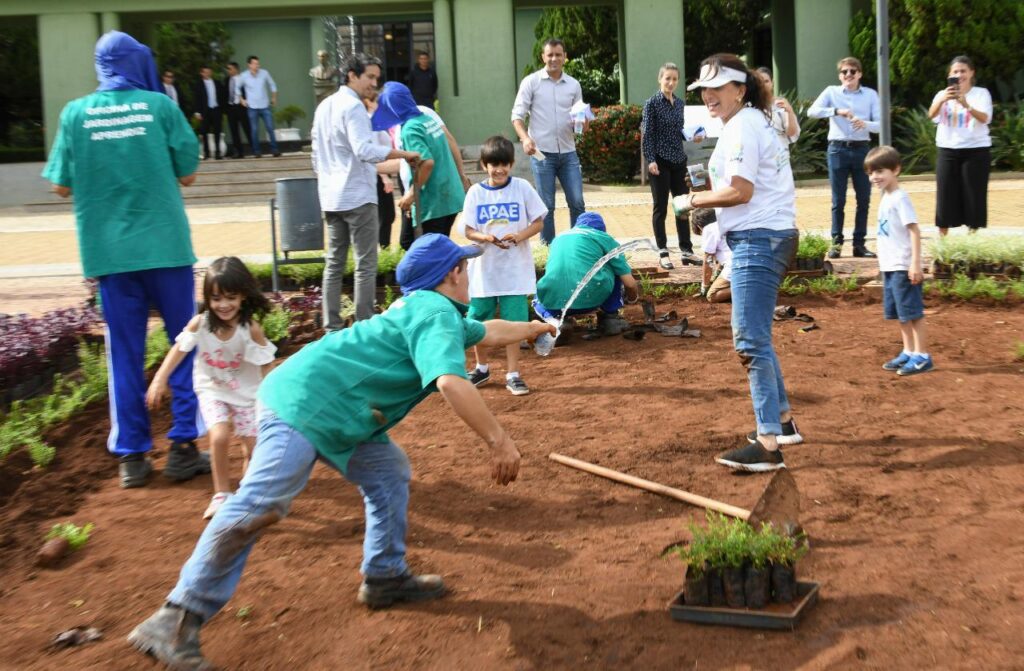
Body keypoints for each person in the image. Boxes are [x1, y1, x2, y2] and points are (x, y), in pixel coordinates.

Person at [127, 234, 556, 670]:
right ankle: (176, 616)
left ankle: (385, 575)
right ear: (453, 274)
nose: (469, 274)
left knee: (388, 472)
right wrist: (498, 440)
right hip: (303, 405)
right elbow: (450, 380)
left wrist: (537, 327)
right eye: (466, 267)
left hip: (333, 410)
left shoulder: (430, 310)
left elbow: (488, 331)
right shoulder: (434, 314)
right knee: (259, 504)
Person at [42, 31, 209, 488]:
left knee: (124, 354)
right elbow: (189, 175)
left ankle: (133, 458)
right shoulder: (160, 107)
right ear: (139, 63)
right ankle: (183, 446)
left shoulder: (74, 114)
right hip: (166, 246)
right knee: (186, 342)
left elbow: (59, 185)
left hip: (109, 253)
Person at [676, 53, 803, 472]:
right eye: (703, 90)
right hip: (768, 235)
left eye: (717, 88)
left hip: (759, 240)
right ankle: (782, 424)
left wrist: (694, 199)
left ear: (740, 90)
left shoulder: (744, 125)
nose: (709, 96)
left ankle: (768, 444)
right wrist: (712, 208)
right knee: (759, 338)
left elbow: (741, 191)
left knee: (749, 340)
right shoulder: (755, 120)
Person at [147, 257, 277, 519]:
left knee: (253, 449)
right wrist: (160, 379)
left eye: (230, 297)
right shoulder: (201, 324)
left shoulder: (250, 329)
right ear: (207, 298)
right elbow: (179, 350)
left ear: (242, 296)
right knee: (218, 436)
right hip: (212, 389)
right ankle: (221, 494)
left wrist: (274, 399)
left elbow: (266, 366)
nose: (223, 305)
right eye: (216, 298)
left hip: (247, 395)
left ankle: (247, 494)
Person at [310, 53, 420, 327]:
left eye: (376, 78)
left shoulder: (324, 106)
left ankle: (332, 326)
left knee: (334, 263)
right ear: (352, 76)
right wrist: (403, 153)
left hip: (331, 196)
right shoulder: (354, 107)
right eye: (369, 77)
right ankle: (365, 324)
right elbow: (364, 150)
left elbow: (315, 155)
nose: (374, 83)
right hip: (357, 195)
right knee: (365, 263)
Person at [458, 135, 548, 395]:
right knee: (478, 321)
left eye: (504, 164)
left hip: (514, 271)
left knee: (514, 325)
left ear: (511, 163)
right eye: (493, 164)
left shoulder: (521, 188)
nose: (499, 170)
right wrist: (484, 237)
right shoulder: (475, 192)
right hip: (484, 271)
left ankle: (513, 374)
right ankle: (481, 368)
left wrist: (520, 236)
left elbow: (539, 221)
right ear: (484, 164)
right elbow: (468, 229)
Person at [864, 146, 934, 376]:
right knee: (901, 314)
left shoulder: (901, 198)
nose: (875, 176)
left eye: (880, 171)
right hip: (890, 266)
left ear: (896, 169)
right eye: (871, 172)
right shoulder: (886, 197)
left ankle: (922, 355)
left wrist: (915, 263)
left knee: (912, 313)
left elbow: (914, 231)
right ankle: (908, 351)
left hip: (903, 266)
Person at [511, 38, 587, 244]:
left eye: (558, 55)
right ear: (543, 57)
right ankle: (549, 252)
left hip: (569, 152)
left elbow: (579, 122)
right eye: (550, 55)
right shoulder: (531, 82)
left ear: (565, 57)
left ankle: (578, 247)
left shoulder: (573, 85)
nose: (554, 58)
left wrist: (584, 123)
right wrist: (525, 139)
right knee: (546, 207)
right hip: (541, 154)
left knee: (578, 203)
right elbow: (516, 116)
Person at [808, 57, 880, 259]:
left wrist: (864, 123)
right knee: (838, 200)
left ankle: (859, 245)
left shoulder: (870, 95)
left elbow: (881, 124)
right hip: (837, 149)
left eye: (853, 71)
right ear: (840, 75)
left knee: (863, 199)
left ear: (860, 74)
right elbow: (811, 111)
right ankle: (836, 244)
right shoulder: (832, 92)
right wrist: (836, 111)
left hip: (861, 149)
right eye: (845, 72)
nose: (849, 75)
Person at [373, 82, 465, 239]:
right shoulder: (427, 119)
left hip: (434, 204)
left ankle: (460, 261)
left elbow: (427, 163)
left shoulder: (410, 129)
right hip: (447, 198)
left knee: (424, 250)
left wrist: (410, 195)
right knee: (428, 246)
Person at [533, 212, 639, 335]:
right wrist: (633, 298)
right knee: (615, 266)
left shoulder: (558, 238)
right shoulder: (604, 238)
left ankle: (555, 323)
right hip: (592, 298)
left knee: (538, 298)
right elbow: (630, 284)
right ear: (602, 229)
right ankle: (611, 318)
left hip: (555, 301)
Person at [641, 62, 701, 270]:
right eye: (667, 78)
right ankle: (663, 251)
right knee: (661, 208)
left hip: (678, 160)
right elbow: (647, 135)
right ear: (660, 79)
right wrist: (650, 160)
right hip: (660, 162)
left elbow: (679, 131)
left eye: (674, 79)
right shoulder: (652, 104)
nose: (671, 82)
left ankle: (686, 251)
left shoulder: (680, 104)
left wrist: (695, 136)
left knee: (682, 206)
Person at [387, 103, 471, 250]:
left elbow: (427, 163)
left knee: (421, 246)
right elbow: (404, 163)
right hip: (435, 194)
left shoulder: (413, 125)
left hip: (431, 197)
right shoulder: (423, 120)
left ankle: (448, 269)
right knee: (423, 244)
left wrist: (413, 194)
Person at [928, 55, 993, 236]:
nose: (959, 75)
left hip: (976, 151)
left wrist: (966, 104)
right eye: (955, 71)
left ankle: (971, 242)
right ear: (950, 75)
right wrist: (942, 100)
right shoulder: (942, 94)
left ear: (972, 73)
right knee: (945, 196)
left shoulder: (981, 93)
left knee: (974, 196)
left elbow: (985, 118)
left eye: (963, 71)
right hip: (948, 149)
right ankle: (944, 243)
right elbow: (931, 116)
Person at [362, 90, 398, 247]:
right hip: (378, 173)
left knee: (386, 215)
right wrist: (384, 177)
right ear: (369, 102)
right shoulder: (370, 123)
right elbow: (374, 151)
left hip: (382, 171)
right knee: (385, 215)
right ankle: (383, 248)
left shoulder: (376, 122)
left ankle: (383, 248)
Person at [239, 55, 280, 158]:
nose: (257, 65)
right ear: (249, 65)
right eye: (255, 63)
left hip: (265, 106)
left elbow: (272, 85)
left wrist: (274, 97)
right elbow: (236, 88)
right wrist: (241, 100)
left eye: (258, 63)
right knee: (254, 130)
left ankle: (275, 149)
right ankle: (256, 151)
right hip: (252, 107)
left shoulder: (264, 73)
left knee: (270, 128)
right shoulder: (243, 76)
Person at [692, 208, 731, 304]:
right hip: (750, 259)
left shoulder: (709, 229)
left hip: (735, 265)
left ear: (699, 226)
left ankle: (751, 289)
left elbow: (707, 261)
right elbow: (720, 259)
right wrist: (714, 278)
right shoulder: (727, 222)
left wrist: (704, 286)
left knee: (712, 295)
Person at [755, 67, 800, 146]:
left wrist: (790, 111)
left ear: (772, 83)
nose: (763, 85)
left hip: (780, 154)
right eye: (760, 82)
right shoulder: (750, 107)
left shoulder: (781, 104)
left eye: (766, 81)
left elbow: (791, 133)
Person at [191, 65, 225, 160]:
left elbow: (222, 96)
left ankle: (218, 152)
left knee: (217, 131)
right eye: (205, 72)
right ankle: (206, 152)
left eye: (209, 71)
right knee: (204, 132)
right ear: (201, 73)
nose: (207, 73)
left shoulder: (217, 83)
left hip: (216, 109)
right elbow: (196, 99)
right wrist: (197, 112)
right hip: (204, 111)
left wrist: (221, 109)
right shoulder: (199, 85)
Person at [224, 62, 252, 158]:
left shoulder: (243, 79)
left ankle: (255, 149)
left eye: (230, 68)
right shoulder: (227, 80)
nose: (228, 71)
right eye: (228, 69)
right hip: (231, 108)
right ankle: (239, 152)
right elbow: (225, 94)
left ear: (236, 69)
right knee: (234, 131)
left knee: (247, 128)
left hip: (241, 107)